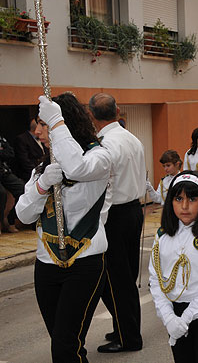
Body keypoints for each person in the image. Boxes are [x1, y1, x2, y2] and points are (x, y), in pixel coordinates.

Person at [16, 93, 112, 363]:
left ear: (64, 124)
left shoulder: (99, 157)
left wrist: (56, 119)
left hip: (84, 262)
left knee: (64, 346)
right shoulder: (41, 169)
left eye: (44, 124)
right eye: (40, 124)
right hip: (46, 264)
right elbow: (23, 214)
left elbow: (77, 167)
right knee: (66, 343)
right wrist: (42, 185)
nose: (39, 131)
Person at [148, 171, 198, 363]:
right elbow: (156, 279)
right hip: (174, 314)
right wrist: (169, 317)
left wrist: (185, 319)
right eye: (178, 199)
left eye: (192, 199)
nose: (184, 206)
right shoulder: (162, 236)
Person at [88, 93, 146, 353]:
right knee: (126, 277)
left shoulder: (106, 144)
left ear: (92, 116)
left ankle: (129, 337)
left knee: (115, 279)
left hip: (116, 214)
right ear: (118, 110)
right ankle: (125, 326)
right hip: (134, 209)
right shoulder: (131, 137)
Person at [0, 134, 25, 233]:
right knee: (1, 193)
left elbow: (10, 153)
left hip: (3, 171)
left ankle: (11, 220)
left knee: (22, 189)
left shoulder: (1, 138)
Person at [13, 118, 45, 182]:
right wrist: (37, 173)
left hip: (42, 171)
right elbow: (24, 160)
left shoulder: (44, 138)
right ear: (37, 129)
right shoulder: (22, 139)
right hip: (29, 174)